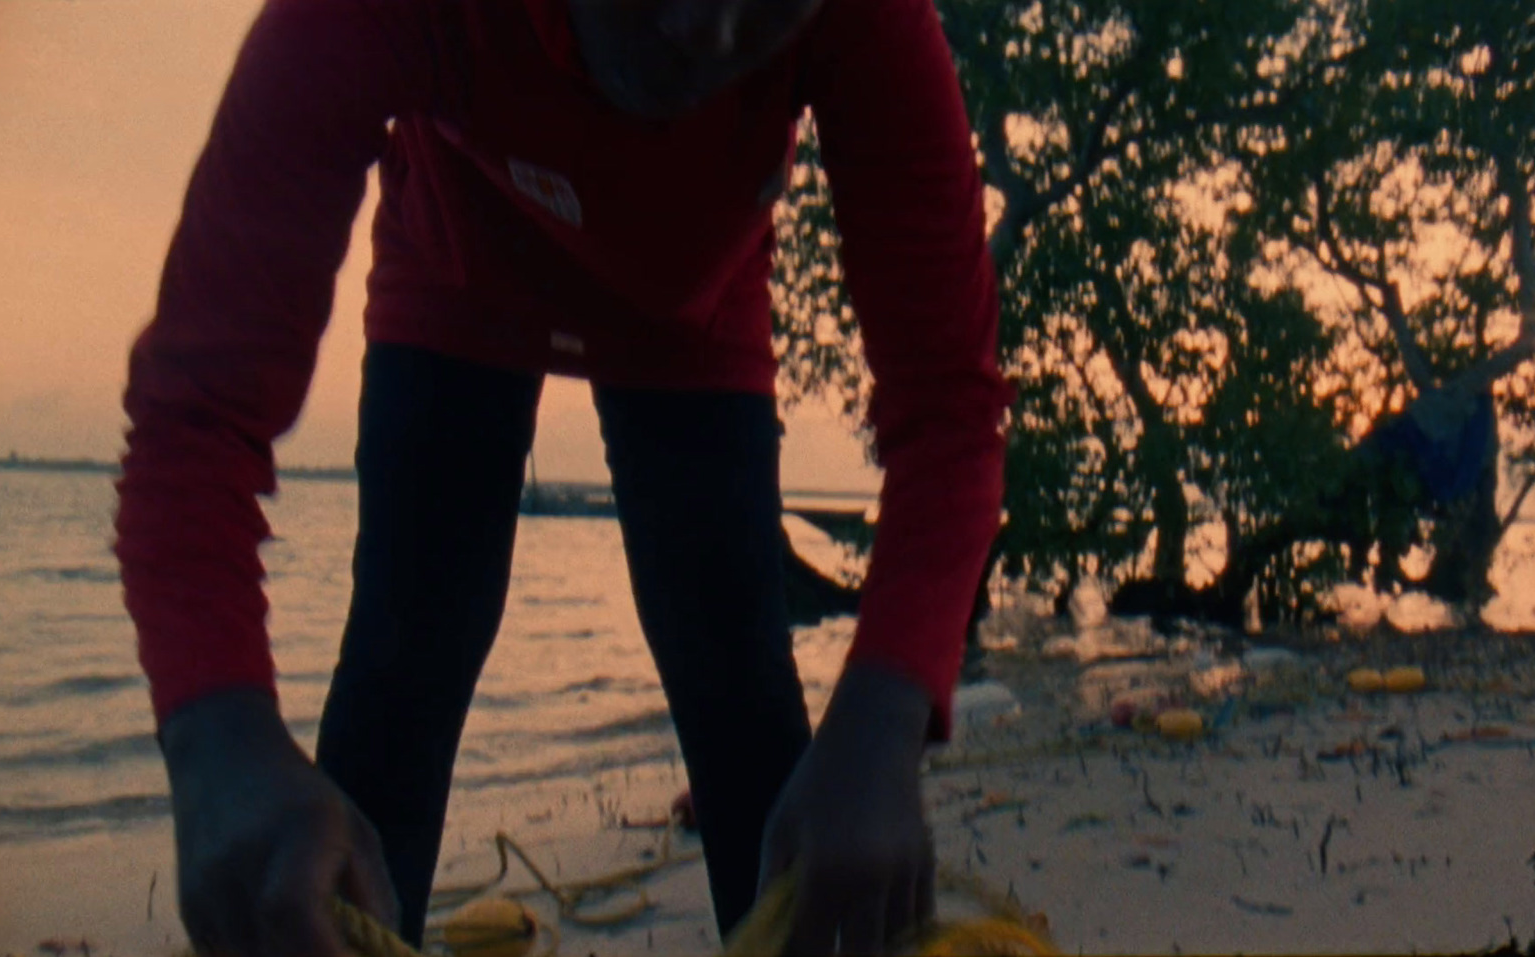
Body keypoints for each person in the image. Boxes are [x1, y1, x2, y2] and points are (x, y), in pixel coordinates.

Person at [113, 0, 1010, 953]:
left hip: (692, 307)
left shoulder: (871, 19)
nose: (705, 31)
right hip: (459, 275)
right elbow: (199, 414)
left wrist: (883, 716)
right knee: (406, 660)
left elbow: (950, 409)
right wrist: (217, 730)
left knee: (739, 683)